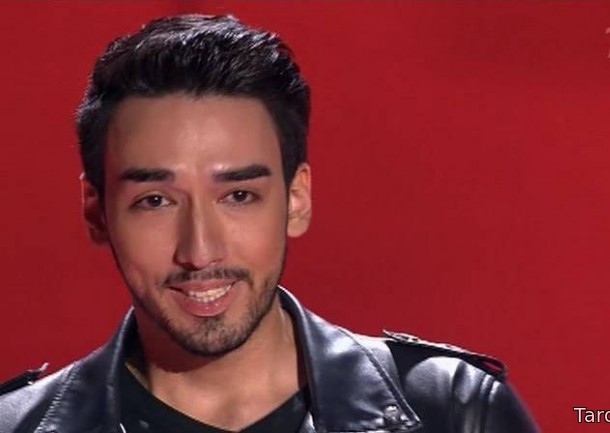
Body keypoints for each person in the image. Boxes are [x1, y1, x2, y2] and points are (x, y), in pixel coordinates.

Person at [0, 14, 539, 433]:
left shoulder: (452, 412)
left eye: (238, 195)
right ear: (96, 211)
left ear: (296, 200)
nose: (201, 251)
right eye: (156, 201)